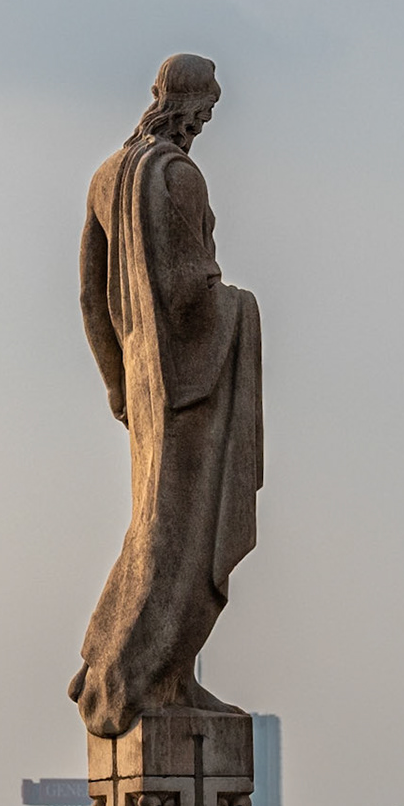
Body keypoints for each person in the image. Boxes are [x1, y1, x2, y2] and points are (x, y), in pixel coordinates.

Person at [70, 54, 262, 739]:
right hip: (190, 382)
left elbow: (91, 296)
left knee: (155, 528)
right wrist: (242, 309)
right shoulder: (177, 176)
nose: (207, 122)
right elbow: (188, 291)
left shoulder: (106, 176)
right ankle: (139, 675)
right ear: (190, 105)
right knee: (180, 537)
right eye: (207, 110)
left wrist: (119, 384)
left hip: (147, 387)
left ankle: (132, 665)